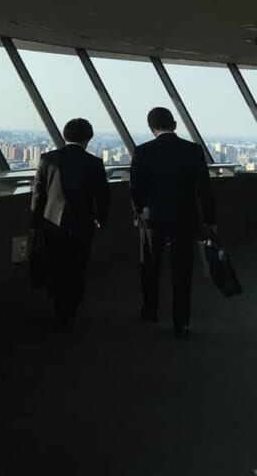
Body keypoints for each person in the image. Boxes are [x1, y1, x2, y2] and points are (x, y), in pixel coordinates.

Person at [130, 106, 216, 339]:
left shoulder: (143, 151)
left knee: (150, 266)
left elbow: (136, 189)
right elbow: (204, 189)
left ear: (151, 128)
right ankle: (181, 322)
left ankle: (150, 309)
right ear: (175, 125)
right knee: (182, 271)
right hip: (184, 218)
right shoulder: (193, 150)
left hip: (152, 219)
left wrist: (139, 211)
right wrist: (210, 219)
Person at [30, 118, 109, 331]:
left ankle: (59, 306)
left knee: (56, 266)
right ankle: (70, 311)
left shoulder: (48, 159)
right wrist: (101, 218)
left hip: (52, 223)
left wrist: (35, 222)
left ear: (64, 136)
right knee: (77, 267)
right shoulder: (94, 163)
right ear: (88, 138)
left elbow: (39, 193)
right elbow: (102, 196)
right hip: (81, 225)